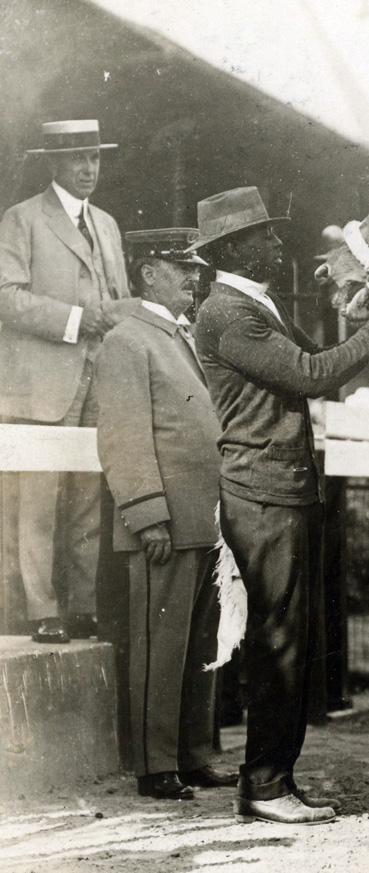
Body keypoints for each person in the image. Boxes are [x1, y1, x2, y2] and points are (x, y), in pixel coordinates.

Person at [190, 186, 369, 825]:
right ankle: (264, 787)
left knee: (287, 640)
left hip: (278, 491)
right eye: (263, 235)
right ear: (234, 248)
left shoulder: (249, 305)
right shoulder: (231, 313)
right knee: (279, 643)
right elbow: (314, 375)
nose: (277, 242)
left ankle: (273, 782)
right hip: (263, 493)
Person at [95, 228, 237, 799]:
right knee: (160, 644)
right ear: (147, 272)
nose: (194, 277)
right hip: (165, 524)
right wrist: (145, 512)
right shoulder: (129, 340)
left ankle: (194, 754)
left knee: (201, 645)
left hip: (205, 520)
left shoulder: (184, 336)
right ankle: (157, 766)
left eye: (197, 268)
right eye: (181, 267)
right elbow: (123, 436)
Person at [0, 120, 140, 644]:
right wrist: (80, 319)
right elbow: (6, 297)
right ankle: (42, 610)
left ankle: (81, 605)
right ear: (53, 163)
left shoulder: (106, 223)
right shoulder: (23, 220)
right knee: (38, 495)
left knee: (86, 494)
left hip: (99, 376)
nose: (89, 168)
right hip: (42, 380)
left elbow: (118, 296)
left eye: (95, 157)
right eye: (78, 158)